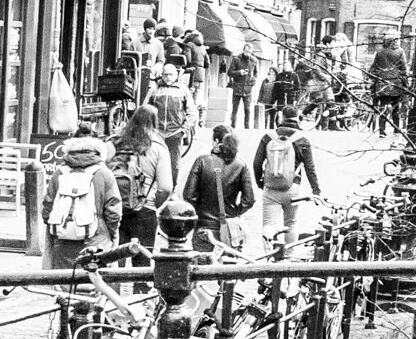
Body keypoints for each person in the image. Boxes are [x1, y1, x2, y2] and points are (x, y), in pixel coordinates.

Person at [42, 130, 123, 271]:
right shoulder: (104, 174)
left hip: (63, 236)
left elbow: (47, 207)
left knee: (65, 279)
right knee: (95, 278)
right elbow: (113, 210)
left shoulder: (59, 173)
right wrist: (111, 233)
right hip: (96, 237)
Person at [182, 126, 258, 260]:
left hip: (204, 226)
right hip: (229, 229)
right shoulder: (241, 165)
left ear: (216, 141)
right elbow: (249, 200)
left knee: (202, 270)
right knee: (228, 271)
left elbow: (189, 195)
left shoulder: (202, 161)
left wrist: (198, 213)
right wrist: (234, 213)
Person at [253, 109, 322, 253]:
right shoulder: (302, 140)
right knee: (291, 223)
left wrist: (261, 182)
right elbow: (310, 168)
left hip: (271, 188)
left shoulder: (268, 137)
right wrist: (316, 190)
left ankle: (268, 256)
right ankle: (289, 259)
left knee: (269, 224)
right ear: (298, 118)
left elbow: (256, 162)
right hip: (293, 189)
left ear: (281, 117)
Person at [108, 105, 174, 250]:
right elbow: (166, 187)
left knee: (114, 256)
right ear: (155, 123)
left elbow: (101, 172)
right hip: (145, 208)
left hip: (115, 206)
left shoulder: (114, 142)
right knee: (143, 260)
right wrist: (154, 204)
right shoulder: (159, 148)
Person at [148, 65, 190, 183]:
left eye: (171, 74)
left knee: (174, 164)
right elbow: (145, 108)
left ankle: (173, 189)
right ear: (162, 75)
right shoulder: (155, 89)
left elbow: (192, 112)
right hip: (157, 133)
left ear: (176, 75)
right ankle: (154, 188)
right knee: (153, 161)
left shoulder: (183, 90)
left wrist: (184, 129)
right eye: (165, 74)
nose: (168, 77)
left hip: (175, 133)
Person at [369, 37, 409, 135]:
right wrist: (405, 79)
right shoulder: (400, 52)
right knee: (395, 106)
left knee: (383, 105)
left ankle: (382, 130)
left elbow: (374, 68)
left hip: (382, 82)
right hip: (396, 82)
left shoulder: (380, 52)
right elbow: (403, 67)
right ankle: (396, 129)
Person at [228, 48, 259, 129]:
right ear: (243, 50)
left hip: (248, 88)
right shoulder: (236, 59)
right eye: (246, 51)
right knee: (235, 108)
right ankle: (233, 126)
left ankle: (247, 127)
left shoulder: (254, 60)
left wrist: (253, 81)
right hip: (237, 87)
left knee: (247, 109)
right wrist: (239, 72)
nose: (247, 53)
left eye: (249, 51)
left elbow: (256, 73)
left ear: (251, 52)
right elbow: (230, 72)